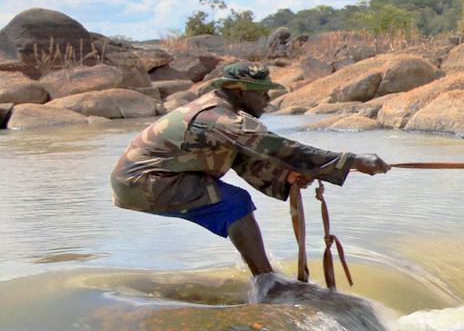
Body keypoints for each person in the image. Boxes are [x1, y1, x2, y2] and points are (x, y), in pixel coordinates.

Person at [110, 63, 390, 293]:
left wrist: (286, 176)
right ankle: (267, 283)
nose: (267, 100)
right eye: (261, 93)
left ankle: (265, 278)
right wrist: (352, 161)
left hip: (151, 179)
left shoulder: (222, 113)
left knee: (234, 201)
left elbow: (243, 159)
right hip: (144, 182)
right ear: (239, 91)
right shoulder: (218, 118)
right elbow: (278, 147)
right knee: (234, 202)